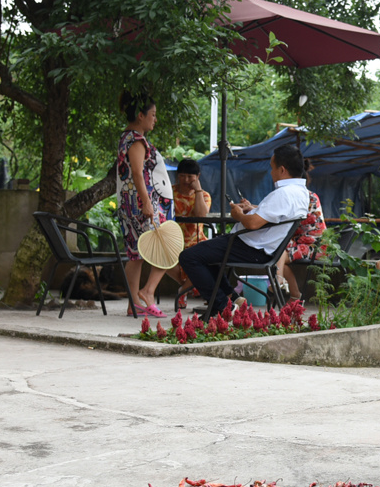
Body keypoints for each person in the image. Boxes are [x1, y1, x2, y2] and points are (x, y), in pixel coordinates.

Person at [177, 143, 311, 315]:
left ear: (282, 170)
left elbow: (252, 224)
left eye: (272, 168)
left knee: (188, 257)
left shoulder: (284, 194)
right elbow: (276, 215)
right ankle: (232, 299)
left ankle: (222, 306)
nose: (271, 173)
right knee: (207, 253)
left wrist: (238, 214)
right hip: (263, 247)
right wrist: (253, 209)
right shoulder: (301, 193)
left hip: (251, 247)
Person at [114, 90, 173, 317]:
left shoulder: (126, 138)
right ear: (140, 115)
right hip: (141, 205)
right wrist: (147, 204)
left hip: (131, 204)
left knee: (136, 254)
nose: (155, 119)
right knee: (167, 247)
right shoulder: (136, 140)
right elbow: (137, 174)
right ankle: (147, 292)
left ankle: (134, 303)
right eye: (153, 114)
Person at [275, 175, 325, 305]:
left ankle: (280, 281)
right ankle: (293, 294)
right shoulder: (306, 195)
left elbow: (281, 216)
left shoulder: (305, 197)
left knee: (277, 252)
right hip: (302, 241)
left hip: (314, 246)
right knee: (277, 252)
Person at [167, 158, 211, 303]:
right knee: (159, 259)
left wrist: (197, 189)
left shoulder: (204, 195)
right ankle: (188, 287)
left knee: (207, 259)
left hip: (196, 241)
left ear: (197, 177)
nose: (186, 180)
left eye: (190, 176)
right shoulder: (169, 192)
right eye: (182, 176)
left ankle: (183, 291)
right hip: (172, 240)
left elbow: (201, 215)